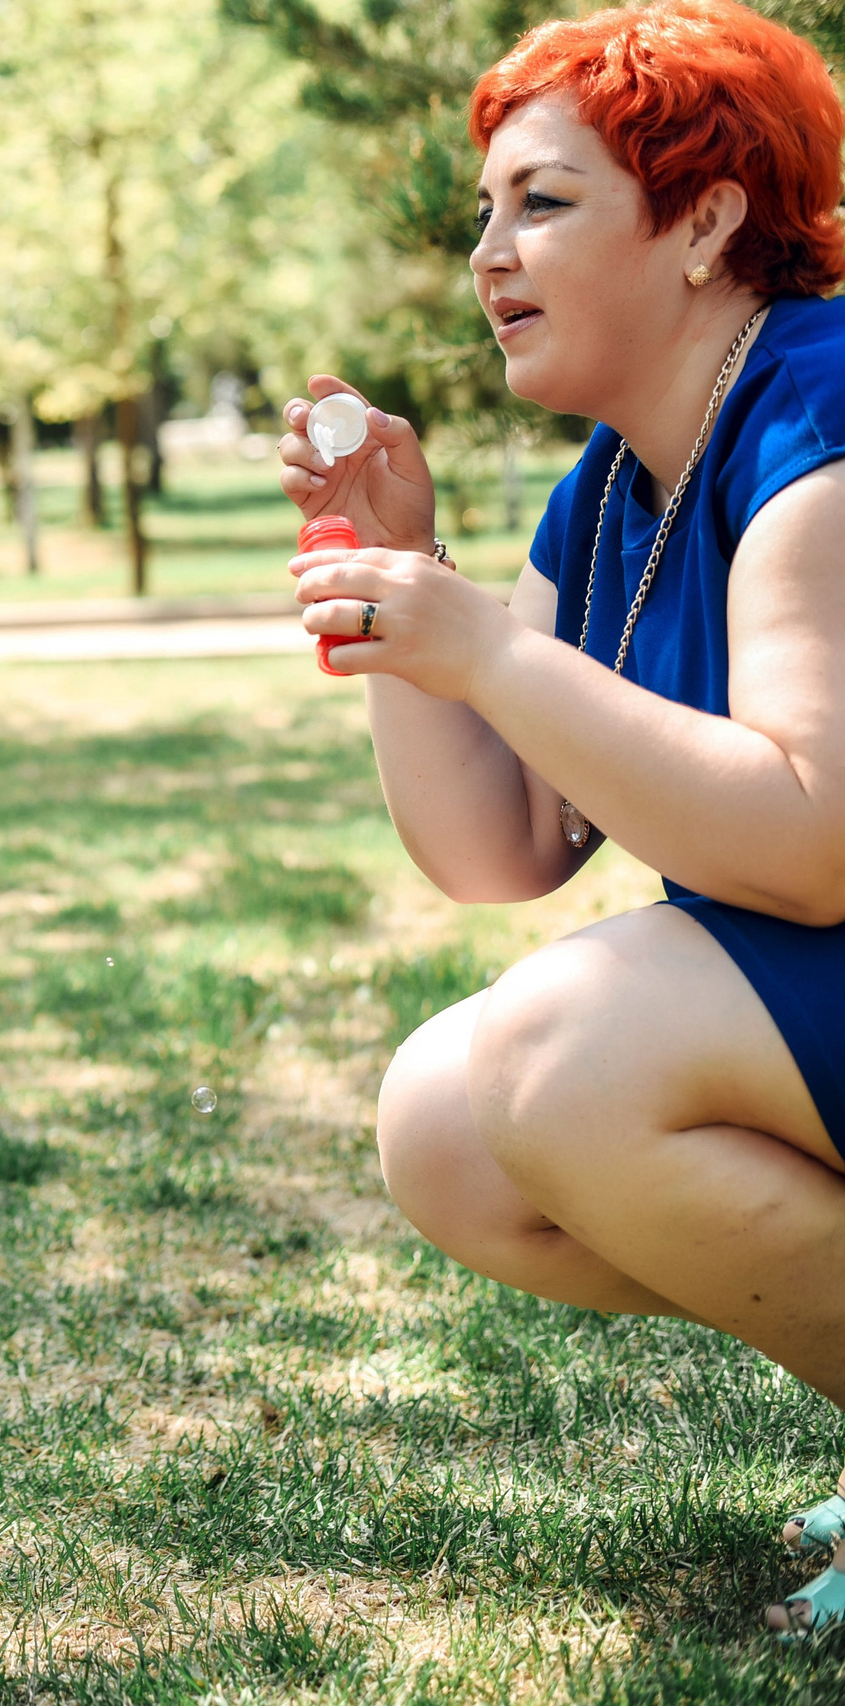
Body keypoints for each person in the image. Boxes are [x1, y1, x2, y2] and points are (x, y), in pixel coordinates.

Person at [276, 0, 845, 1635]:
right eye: (484, 213)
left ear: (707, 222)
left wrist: (493, 653)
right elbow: (501, 851)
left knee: (555, 1061)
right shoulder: (609, 483)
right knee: (448, 1125)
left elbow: (810, 837)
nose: (488, 253)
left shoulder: (821, 410)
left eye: (544, 202)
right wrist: (399, 588)